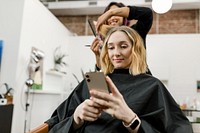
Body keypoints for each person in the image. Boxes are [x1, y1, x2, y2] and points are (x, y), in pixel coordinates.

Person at [45, 26, 193, 133]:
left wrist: (131, 120)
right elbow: (56, 123)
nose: (116, 53)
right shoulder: (94, 81)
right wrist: (76, 118)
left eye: (123, 46)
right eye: (110, 47)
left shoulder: (153, 85)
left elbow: (179, 128)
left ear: (135, 50)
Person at [90, 2, 153, 74]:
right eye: (111, 48)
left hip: (141, 80)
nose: (112, 18)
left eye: (123, 46)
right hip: (115, 82)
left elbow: (147, 14)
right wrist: (98, 56)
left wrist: (110, 13)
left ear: (124, 17)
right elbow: (104, 71)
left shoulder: (136, 32)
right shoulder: (106, 41)